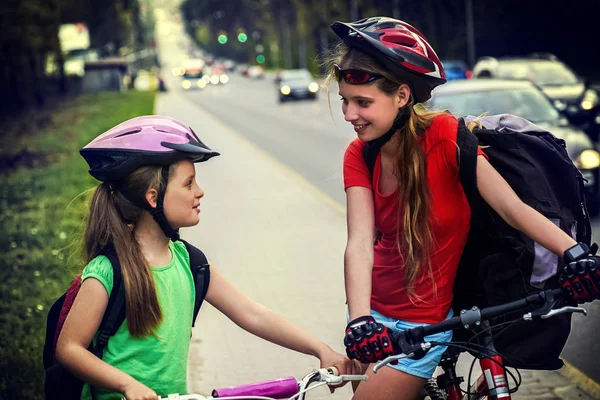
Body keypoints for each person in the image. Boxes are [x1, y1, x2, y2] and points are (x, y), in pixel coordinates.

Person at [323, 17, 585, 400]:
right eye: (346, 101)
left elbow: (512, 208)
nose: (349, 115)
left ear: (402, 96)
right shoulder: (359, 155)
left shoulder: (448, 139)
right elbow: (360, 243)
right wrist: (361, 319)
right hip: (372, 316)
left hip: (426, 323)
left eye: (363, 103)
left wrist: (574, 253)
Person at [55, 115, 354, 400]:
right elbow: (69, 348)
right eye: (188, 183)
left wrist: (319, 349)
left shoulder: (190, 263)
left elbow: (252, 314)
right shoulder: (109, 270)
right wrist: (127, 385)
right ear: (153, 197)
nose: (200, 192)